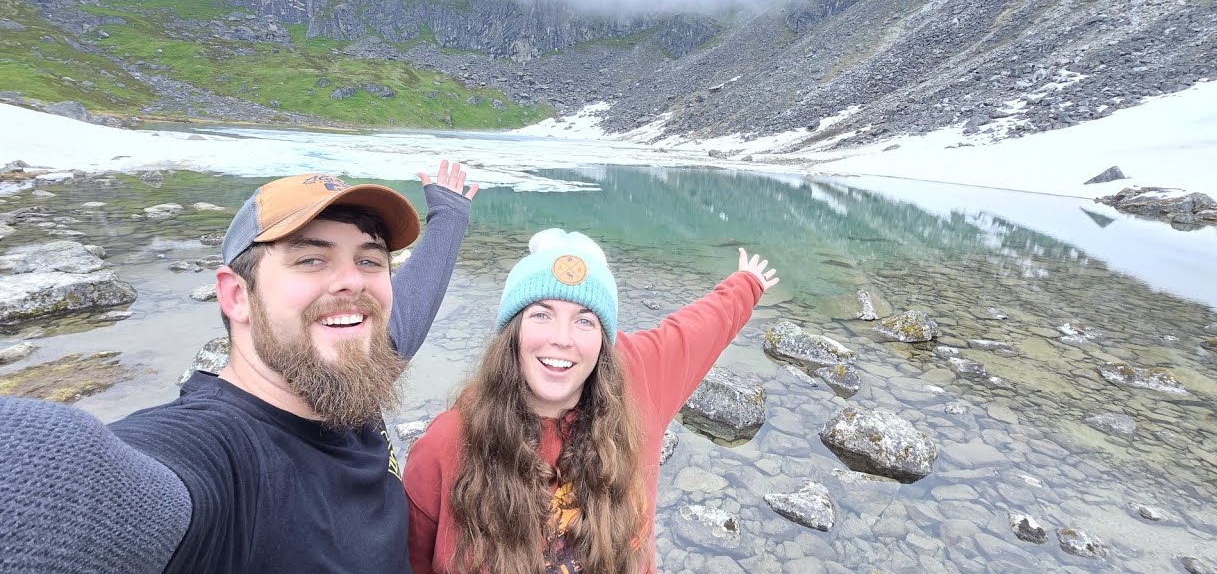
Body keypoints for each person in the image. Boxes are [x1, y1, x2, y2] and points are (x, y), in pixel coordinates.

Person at [0, 160, 477, 574]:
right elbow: (73, 479)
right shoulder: (221, 455)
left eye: (369, 261)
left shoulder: (349, 371)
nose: (353, 282)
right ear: (235, 295)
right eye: (311, 259)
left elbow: (407, 311)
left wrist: (450, 215)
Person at [403, 228, 779, 574]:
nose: (562, 338)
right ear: (512, 332)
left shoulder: (639, 381)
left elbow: (700, 328)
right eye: (541, 314)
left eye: (585, 321)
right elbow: (409, 561)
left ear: (603, 340)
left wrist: (747, 284)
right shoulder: (447, 445)